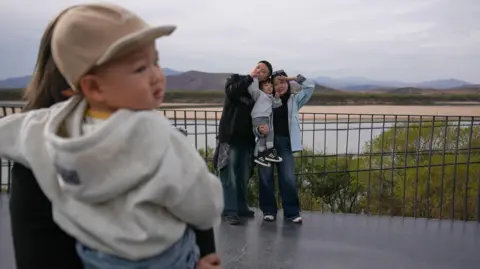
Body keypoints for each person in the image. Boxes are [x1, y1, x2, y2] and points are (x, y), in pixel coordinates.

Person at [1, 3, 223, 269]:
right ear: (90, 86)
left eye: (156, 62)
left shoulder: (41, 138)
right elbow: (200, 206)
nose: (156, 76)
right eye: (140, 67)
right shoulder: (156, 135)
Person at [214, 60, 272, 225]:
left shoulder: (259, 94)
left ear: (266, 77)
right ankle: (229, 211)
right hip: (229, 137)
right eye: (258, 67)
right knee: (228, 174)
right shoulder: (237, 79)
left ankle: (240, 207)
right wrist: (249, 77)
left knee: (242, 175)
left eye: (264, 71)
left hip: (247, 140)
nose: (259, 70)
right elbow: (231, 92)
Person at [257, 70, 315, 224]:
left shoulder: (294, 100)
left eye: (282, 82)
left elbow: (310, 87)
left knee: (288, 177)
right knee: (266, 177)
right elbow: (256, 120)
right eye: (275, 84)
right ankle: (268, 211)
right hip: (265, 143)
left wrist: (294, 78)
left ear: (288, 84)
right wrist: (258, 130)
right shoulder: (265, 100)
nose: (279, 86)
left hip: (285, 143)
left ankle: (292, 212)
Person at [248, 78, 283, 167]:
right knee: (269, 132)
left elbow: (276, 105)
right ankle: (269, 150)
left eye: (271, 86)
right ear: (261, 87)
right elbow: (254, 89)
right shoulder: (260, 94)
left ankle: (261, 155)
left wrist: (277, 98)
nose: (269, 88)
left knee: (264, 136)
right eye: (266, 85)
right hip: (259, 117)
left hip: (265, 118)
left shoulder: (271, 97)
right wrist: (255, 78)